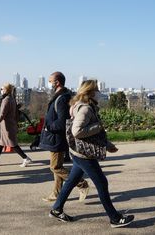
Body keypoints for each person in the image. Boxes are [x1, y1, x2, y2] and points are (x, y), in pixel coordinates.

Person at [49, 79, 135, 228]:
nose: (99, 93)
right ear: (90, 92)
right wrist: (97, 126)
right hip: (84, 154)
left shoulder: (83, 106)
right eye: (97, 90)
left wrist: (107, 145)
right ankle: (114, 218)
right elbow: (77, 131)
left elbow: (93, 135)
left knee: (71, 181)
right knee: (102, 183)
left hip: (78, 151)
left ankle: (57, 209)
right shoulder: (85, 109)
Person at [39, 71, 89, 202]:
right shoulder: (61, 96)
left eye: (50, 81)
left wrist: (49, 126)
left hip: (57, 138)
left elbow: (62, 122)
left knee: (55, 167)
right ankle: (56, 194)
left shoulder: (61, 98)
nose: (49, 83)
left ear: (57, 82)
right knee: (57, 166)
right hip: (57, 138)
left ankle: (81, 183)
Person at [0, 83, 32, 167]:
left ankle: (26, 158)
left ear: (6, 90)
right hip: (8, 125)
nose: (0, 90)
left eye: (1, 89)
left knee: (12, 143)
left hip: (7, 126)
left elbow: (2, 115)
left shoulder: (6, 100)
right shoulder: (11, 99)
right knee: (1, 142)